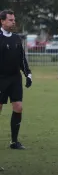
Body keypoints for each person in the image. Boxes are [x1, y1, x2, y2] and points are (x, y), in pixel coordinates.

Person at [0, 9, 33, 150]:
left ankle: (14, 142)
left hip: (15, 79)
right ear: (2, 21)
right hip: (1, 79)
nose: (13, 22)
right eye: (10, 20)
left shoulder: (16, 38)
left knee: (18, 107)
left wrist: (28, 74)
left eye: (14, 20)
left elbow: (21, 59)